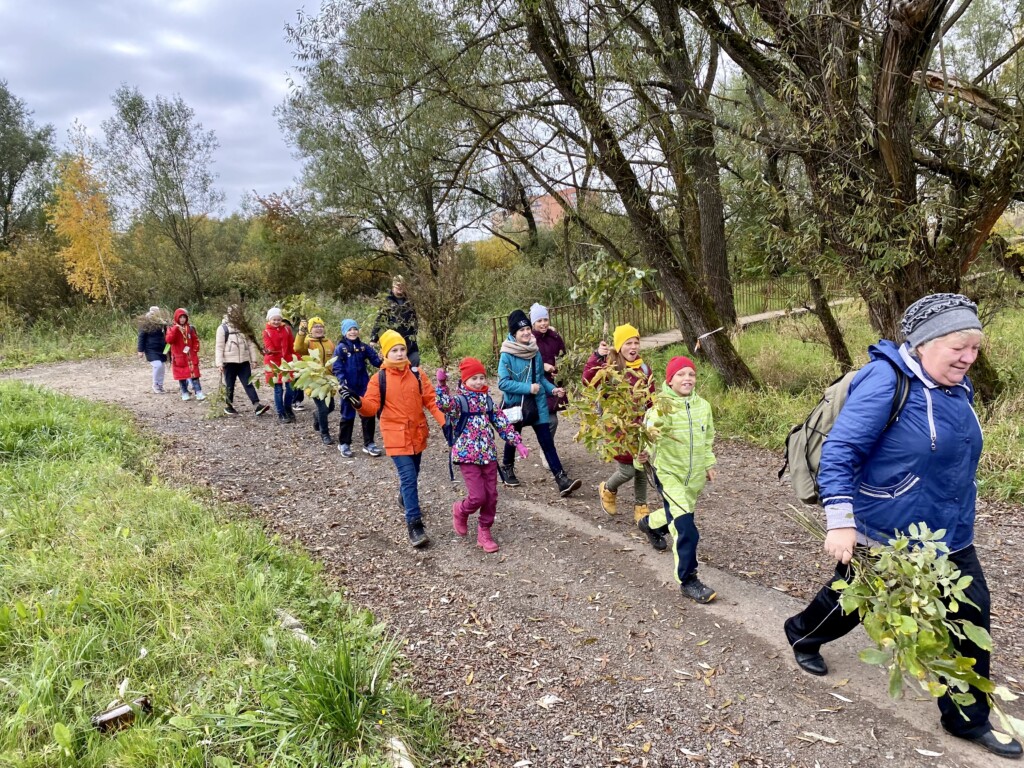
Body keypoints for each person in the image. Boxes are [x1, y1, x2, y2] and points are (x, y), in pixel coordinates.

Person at [783, 294, 1021, 760]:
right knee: (851, 600)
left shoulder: (957, 384)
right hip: (887, 530)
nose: (969, 358)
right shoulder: (885, 381)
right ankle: (802, 633)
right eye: (959, 346)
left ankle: (966, 720)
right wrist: (840, 523)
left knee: (970, 613)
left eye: (975, 348)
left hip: (948, 531)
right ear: (926, 342)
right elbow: (841, 454)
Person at [344, 330, 444, 548]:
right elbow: (370, 408)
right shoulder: (379, 378)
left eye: (402, 350)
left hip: (417, 434)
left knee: (413, 474)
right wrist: (357, 402)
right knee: (408, 477)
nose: (399, 354)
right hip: (395, 437)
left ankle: (404, 497)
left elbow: (432, 401)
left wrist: (447, 424)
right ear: (385, 353)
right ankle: (415, 525)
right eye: (394, 350)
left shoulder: (417, 374)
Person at [637, 355, 717, 603]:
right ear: (669, 381)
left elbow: (707, 439)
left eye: (691, 374)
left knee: (678, 514)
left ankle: (649, 523)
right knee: (686, 528)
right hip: (669, 474)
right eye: (680, 374)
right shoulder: (659, 408)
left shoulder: (703, 406)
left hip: (693, 477)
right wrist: (641, 456)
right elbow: (647, 441)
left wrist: (708, 463)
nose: (687, 378)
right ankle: (688, 580)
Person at [436, 358, 529, 553]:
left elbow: (501, 422)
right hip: (466, 456)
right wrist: (442, 386)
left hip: (488, 455)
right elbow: (443, 405)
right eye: (474, 378)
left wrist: (517, 442)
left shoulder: (487, 401)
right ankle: (460, 510)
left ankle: (484, 530)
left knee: (491, 496)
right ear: (464, 381)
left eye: (482, 378)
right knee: (477, 496)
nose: (479, 382)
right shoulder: (459, 402)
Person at [497, 309, 581, 497]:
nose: (526, 332)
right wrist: (528, 388)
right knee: (513, 438)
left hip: (538, 403)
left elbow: (539, 378)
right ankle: (508, 468)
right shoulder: (507, 354)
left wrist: (552, 389)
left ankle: (562, 479)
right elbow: (502, 383)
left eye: (528, 328)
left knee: (547, 441)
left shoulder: (534, 351)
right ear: (513, 334)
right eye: (521, 330)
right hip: (516, 405)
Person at [583, 323, 655, 521]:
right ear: (619, 346)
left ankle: (641, 507)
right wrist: (597, 356)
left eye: (636, 342)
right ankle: (608, 489)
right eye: (628, 343)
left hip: (640, 426)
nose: (633, 347)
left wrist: (653, 418)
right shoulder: (610, 368)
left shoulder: (644, 368)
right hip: (618, 429)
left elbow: (651, 397)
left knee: (642, 464)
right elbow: (588, 380)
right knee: (628, 469)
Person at [332, 318, 383, 458]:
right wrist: (342, 382)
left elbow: (376, 361)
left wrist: (384, 361)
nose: (353, 332)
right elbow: (336, 366)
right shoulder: (340, 348)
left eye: (355, 329)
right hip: (348, 386)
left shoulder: (363, 347)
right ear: (344, 332)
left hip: (364, 385)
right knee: (348, 414)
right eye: (349, 329)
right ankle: (344, 443)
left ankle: (369, 443)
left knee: (368, 412)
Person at [531, 303, 567, 469]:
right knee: (549, 420)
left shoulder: (553, 337)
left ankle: (545, 448)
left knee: (552, 420)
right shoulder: (530, 339)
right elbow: (526, 362)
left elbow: (563, 355)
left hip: (552, 383)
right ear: (533, 323)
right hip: (537, 385)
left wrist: (558, 369)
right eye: (539, 320)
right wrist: (543, 366)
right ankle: (546, 450)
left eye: (545, 319)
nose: (543, 323)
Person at [215, 308, 270, 417]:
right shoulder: (223, 328)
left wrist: (253, 359)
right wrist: (219, 363)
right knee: (229, 384)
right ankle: (228, 406)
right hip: (229, 362)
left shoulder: (244, 328)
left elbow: (250, 344)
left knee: (248, 383)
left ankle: (257, 405)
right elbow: (219, 347)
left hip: (244, 361)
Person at [294, 316, 336, 444]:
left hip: (327, 381)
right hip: (313, 381)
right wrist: (301, 332)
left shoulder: (329, 342)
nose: (319, 329)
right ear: (310, 330)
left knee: (331, 407)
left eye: (321, 326)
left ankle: (316, 416)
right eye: (315, 327)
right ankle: (325, 434)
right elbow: (297, 348)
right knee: (323, 408)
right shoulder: (308, 342)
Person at [371, 275, 420, 367]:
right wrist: (373, 339)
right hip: (393, 340)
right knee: (395, 367)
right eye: (397, 286)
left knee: (414, 361)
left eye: (402, 285)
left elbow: (414, 318)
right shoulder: (387, 301)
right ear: (393, 287)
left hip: (409, 341)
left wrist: (414, 332)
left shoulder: (409, 300)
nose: (400, 288)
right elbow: (379, 320)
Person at [263, 307, 297, 423]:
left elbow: (292, 345)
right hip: (273, 363)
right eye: (274, 320)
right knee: (278, 389)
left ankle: (288, 408)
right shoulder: (266, 332)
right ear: (269, 320)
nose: (276, 322)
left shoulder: (287, 330)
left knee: (290, 387)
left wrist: (297, 358)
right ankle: (281, 412)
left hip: (287, 362)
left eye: (278, 319)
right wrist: (269, 351)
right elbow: (269, 346)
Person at [165, 308, 205, 401]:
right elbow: (169, 340)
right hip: (179, 357)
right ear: (176, 318)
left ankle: (198, 392)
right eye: (180, 317)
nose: (182, 319)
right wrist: (175, 329)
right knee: (182, 377)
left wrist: (195, 349)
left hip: (190, 356)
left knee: (195, 375)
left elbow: (195, 340)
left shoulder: (190, 328)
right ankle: (184, 392)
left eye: (184, 317)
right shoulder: (171, 328)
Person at [136, 306, 167, 394]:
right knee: (158, 365)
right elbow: (141, 337)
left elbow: (167, 334)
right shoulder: (146, 324)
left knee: (162, 367)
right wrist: (140, 350)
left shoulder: (162, 323)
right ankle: (155, 384)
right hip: (150, 349)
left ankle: (160, 385)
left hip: (161, 349)